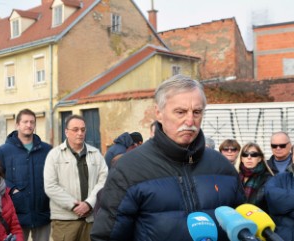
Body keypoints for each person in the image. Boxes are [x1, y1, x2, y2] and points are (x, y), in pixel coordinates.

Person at [90, 74, 245, 241]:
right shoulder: (129, 168)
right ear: (158, 113)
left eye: (197, 112)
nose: (190, 120)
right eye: (181, 112)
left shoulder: (222, 166)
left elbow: (242, 228)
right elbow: (107, 236)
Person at [44, 114, 108, 241]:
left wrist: (89, 203)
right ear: (66, 132)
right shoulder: (54, 155)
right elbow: (50, 186)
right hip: (65, 222)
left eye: (83, 130)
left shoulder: (95, 154)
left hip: (90, 220)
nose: (80, 133)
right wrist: (74, 206)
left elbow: (104, 182)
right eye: (75, 129)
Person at [0, 108, 52, 241]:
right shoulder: (3, 151)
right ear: (17, 125)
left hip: (42, 212)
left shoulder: (47, 150)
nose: (29, 125)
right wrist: (12, 189)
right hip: (16, 214)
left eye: (32, 122)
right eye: (25, 122)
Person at [238, 142, 274, 212]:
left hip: (259, 218)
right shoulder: (235, 176)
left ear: (260, 158)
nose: (249, 157)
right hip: (236, 217)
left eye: (253, 154)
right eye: (245, 154)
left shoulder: (268, 178)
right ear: (242, 159)